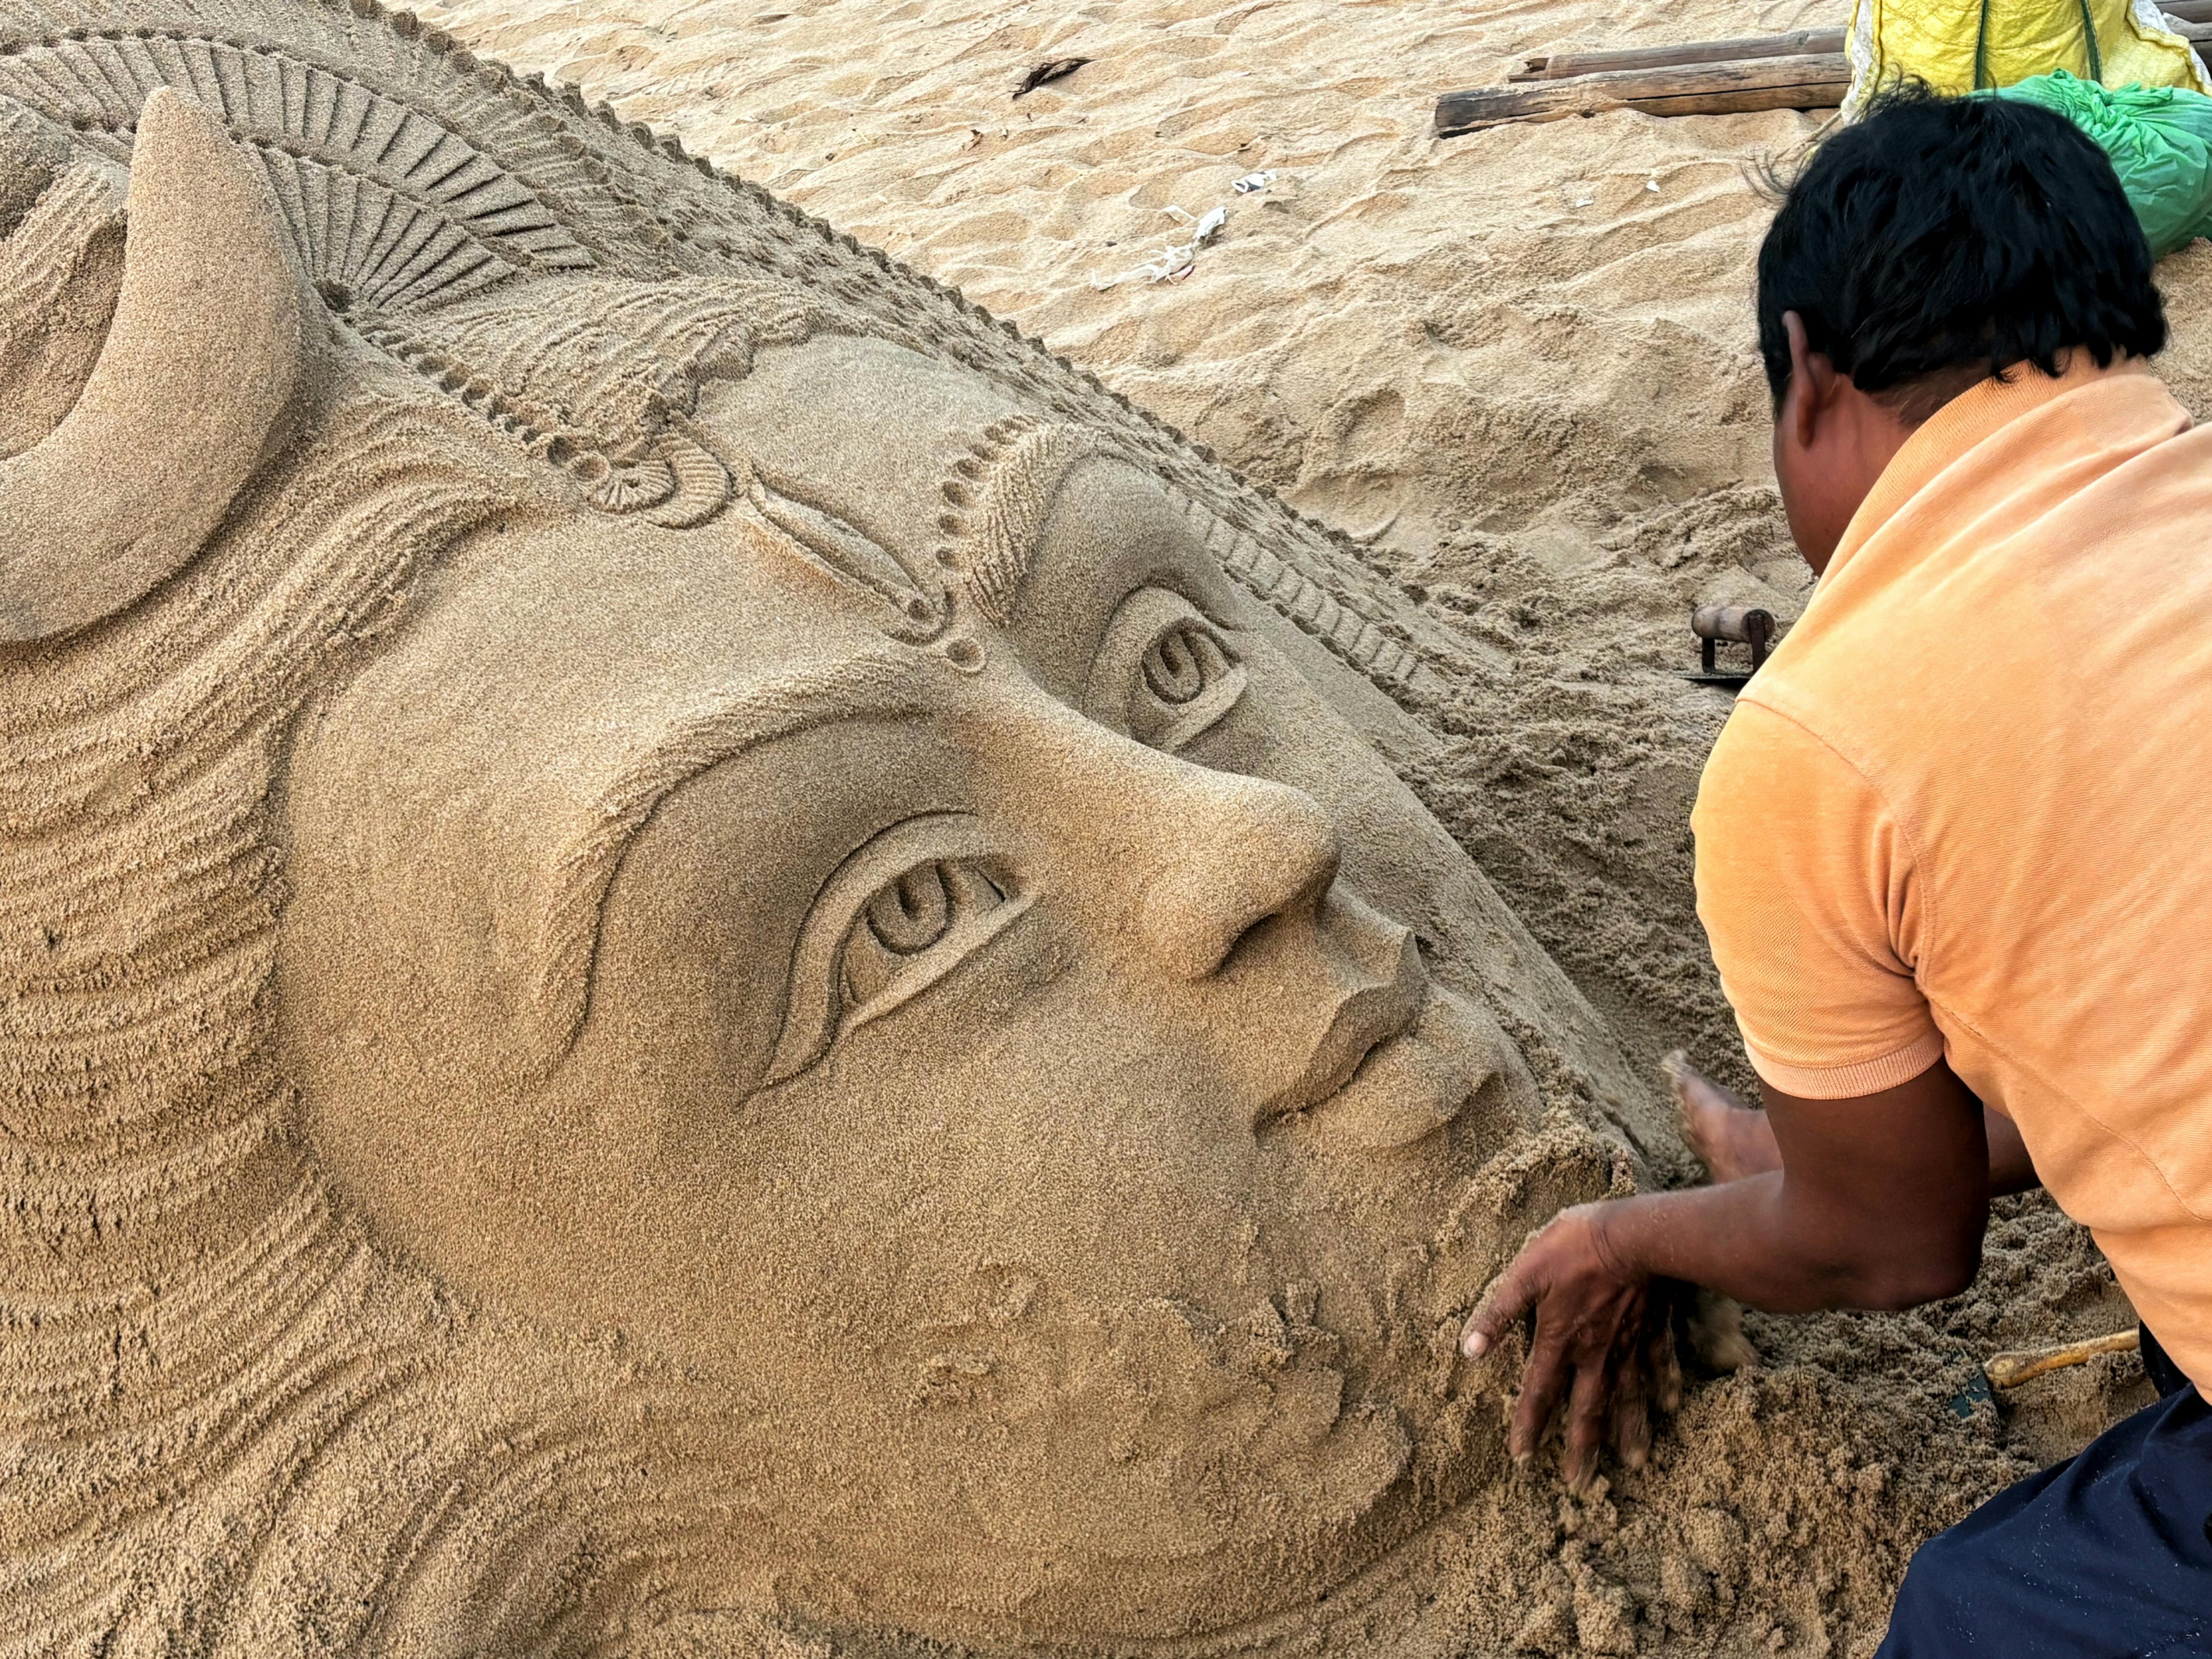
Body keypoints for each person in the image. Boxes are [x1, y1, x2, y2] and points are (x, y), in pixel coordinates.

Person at [1460, 86, 2212, 1654]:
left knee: (1968, 1615)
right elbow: (2159, 1016)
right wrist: (1844, 1151)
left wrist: (1627, 1235)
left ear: (1809, 376)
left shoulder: (1820, 742)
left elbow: (1895, 1247)